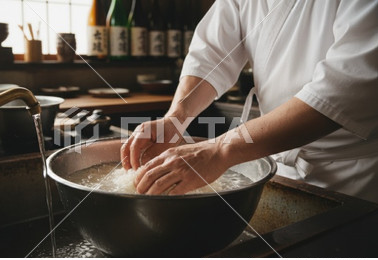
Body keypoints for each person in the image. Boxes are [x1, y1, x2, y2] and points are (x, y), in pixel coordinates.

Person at [121, 0, 378, 203]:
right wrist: (176, 118)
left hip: (354, 177)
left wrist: (220, 150)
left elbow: (345, 88)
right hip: (277, 163)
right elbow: (211, 54)